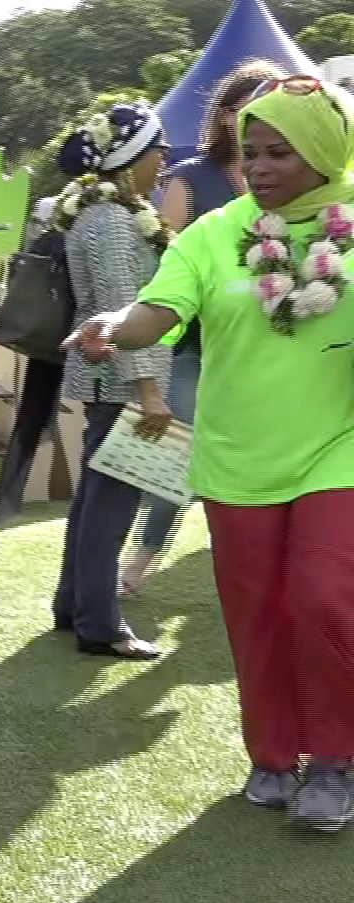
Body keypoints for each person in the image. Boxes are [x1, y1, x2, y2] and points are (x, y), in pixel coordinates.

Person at [68, 76, 354, 830]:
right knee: (255, 611)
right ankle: (272, 756)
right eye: (250, 152)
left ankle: (334, 758)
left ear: (324, 150)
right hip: (237, 455)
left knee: (325, 597)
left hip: (340, 449)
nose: (257, 167)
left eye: (278, 152)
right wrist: (112, 325)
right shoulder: (212, 233)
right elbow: (159, 310)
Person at [121, 59, 283, 596]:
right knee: (176, 451)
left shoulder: (314, 190)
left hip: (283, 347)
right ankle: (140, 561)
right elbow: (167, 265)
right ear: (225, 117)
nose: (258, 122)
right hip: (196, 345)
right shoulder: (192, 178)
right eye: (245, 110)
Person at [48, 100, 177, 661]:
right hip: (123, 379)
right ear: (131, 158)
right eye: (157, 150)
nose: (164, 159)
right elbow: (123, 312)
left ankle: (72, 604)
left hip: (109, 376)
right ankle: (99, 624)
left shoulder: (99, 217)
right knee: (112, 504)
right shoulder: (115, 223)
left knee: (93, 500)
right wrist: (149, 391)